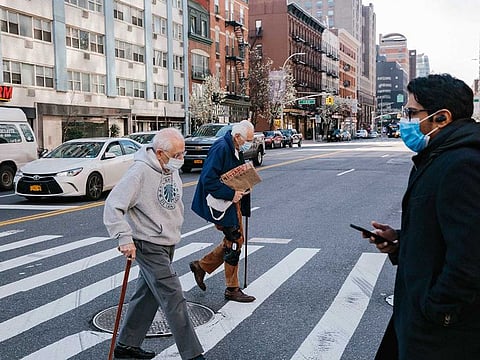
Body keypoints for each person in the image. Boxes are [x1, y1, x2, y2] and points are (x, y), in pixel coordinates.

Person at [363, 74, 480, 360]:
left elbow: (470, 254)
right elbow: (443, 234)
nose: (407, 120)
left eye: (413, 113)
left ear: (441, 118)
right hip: (420, 316)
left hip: (442, 333)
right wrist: (399, 242)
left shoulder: (462, 163)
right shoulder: (441, 155)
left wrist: (439, 310)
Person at [103, 128, 205, 360]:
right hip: (148, 243)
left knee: (147, 294)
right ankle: (193, 355)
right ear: (160, 153)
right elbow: (113, 205)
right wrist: (124, 237)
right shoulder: (139, 171)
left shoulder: (169, 167)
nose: (182, 158)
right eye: (177, 154)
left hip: (167, 240)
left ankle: (127, 346)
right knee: (173, 295)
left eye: (183, 152)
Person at [190, 120, 256, 303]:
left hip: (232, 202)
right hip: (222, 202)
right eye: (247, 140)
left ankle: (201, 266)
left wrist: (246, 186)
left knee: (233, 240)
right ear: (236, 136)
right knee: (235, 241)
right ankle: (232, 288)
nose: (248, 144)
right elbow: (208, 179)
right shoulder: (221, 148)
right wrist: (231, 193)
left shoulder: (235, 147)